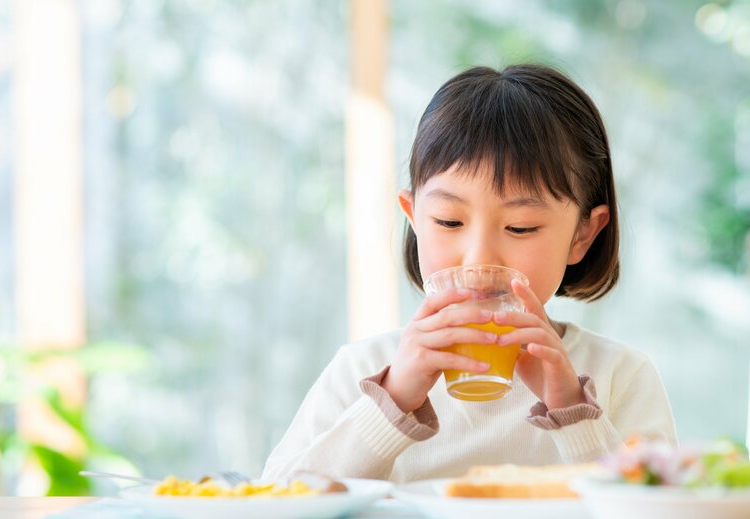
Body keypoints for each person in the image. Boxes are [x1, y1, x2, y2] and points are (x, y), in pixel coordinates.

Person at [262, 64, 677, 483]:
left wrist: (573, 413)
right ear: (413, 217)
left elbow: (665, 506)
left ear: (583, 234)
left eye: (520, 227)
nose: (477, 261)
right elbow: (273, 501)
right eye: (449, 221)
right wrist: (392, 403)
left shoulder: (621, 375)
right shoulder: (364, 369)